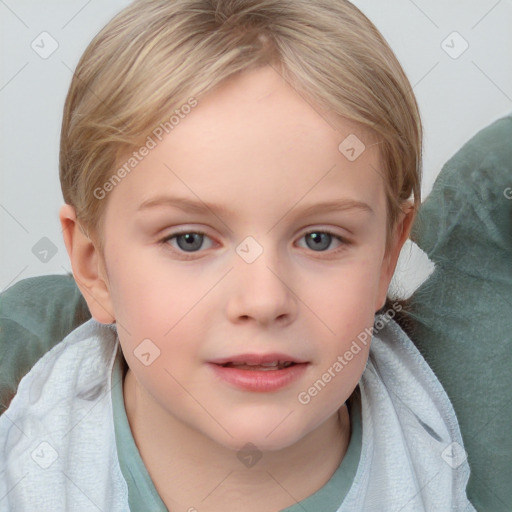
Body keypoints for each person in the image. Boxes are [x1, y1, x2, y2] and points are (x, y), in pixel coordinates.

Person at [0, 1, 476, 510]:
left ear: (388, 257)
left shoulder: (459, 455)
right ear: (93, 268)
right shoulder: (27, 475)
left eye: (320, 239)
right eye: (190, 240)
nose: (264, 299)